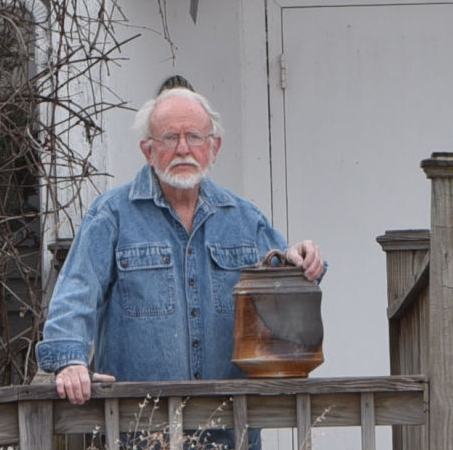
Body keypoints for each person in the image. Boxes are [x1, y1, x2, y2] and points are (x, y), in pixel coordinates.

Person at [36, 83, 326, 408]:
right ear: (148, 150)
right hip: (140, 429)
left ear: (214, 148)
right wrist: (70, 359)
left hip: (230, 426)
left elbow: (283, 282)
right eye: (170, 138)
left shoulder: (244, 218)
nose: (183, 149)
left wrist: (298, 259)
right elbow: (76, 290)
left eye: (195, 137)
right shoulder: (112, 215)